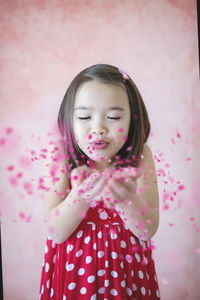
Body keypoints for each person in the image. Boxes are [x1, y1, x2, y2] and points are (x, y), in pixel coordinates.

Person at [39, 63, 161, 299]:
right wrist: (79, 197)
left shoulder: (140, 156)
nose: (98, 128)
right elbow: (55, 232)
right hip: (75, 276)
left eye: (113, 116)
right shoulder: (61, 156)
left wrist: (127, 200)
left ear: (133, 119)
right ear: (69, 119)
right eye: (84, 116)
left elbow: (148, 230)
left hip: (127, 276)